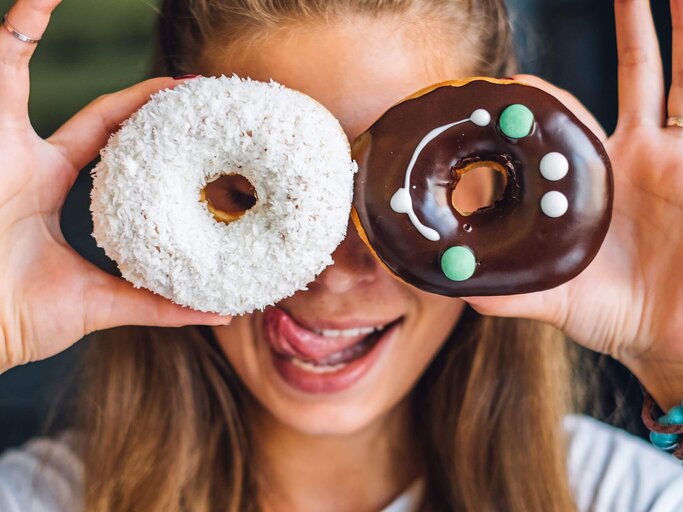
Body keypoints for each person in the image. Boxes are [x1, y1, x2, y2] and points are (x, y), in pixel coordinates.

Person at [1, 0, 683, 510]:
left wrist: (674, 367)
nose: (329, 274)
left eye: (395, 195)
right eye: (245, 194)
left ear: (492, 183)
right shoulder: (40, 498)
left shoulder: (615, 495)